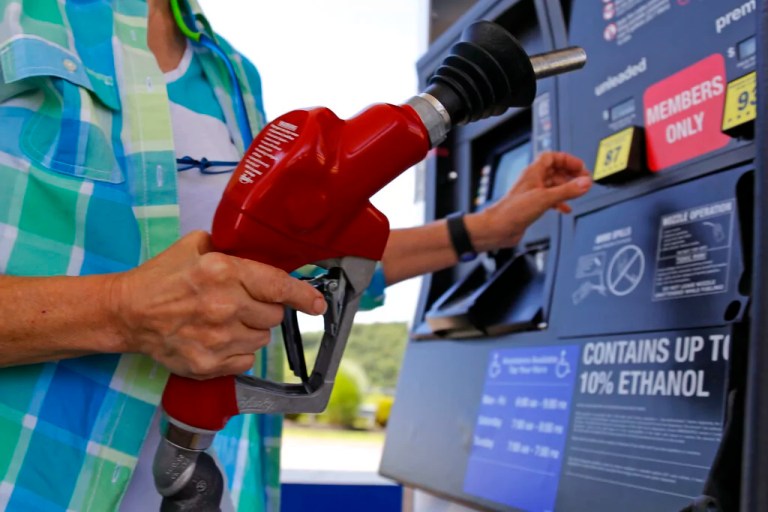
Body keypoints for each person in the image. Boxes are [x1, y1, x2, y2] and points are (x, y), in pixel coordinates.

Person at [0, 0, 593, 510]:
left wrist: (485, 230)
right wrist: (123, 310)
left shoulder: (230, 74)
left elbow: (298, 252)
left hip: (204, 485)